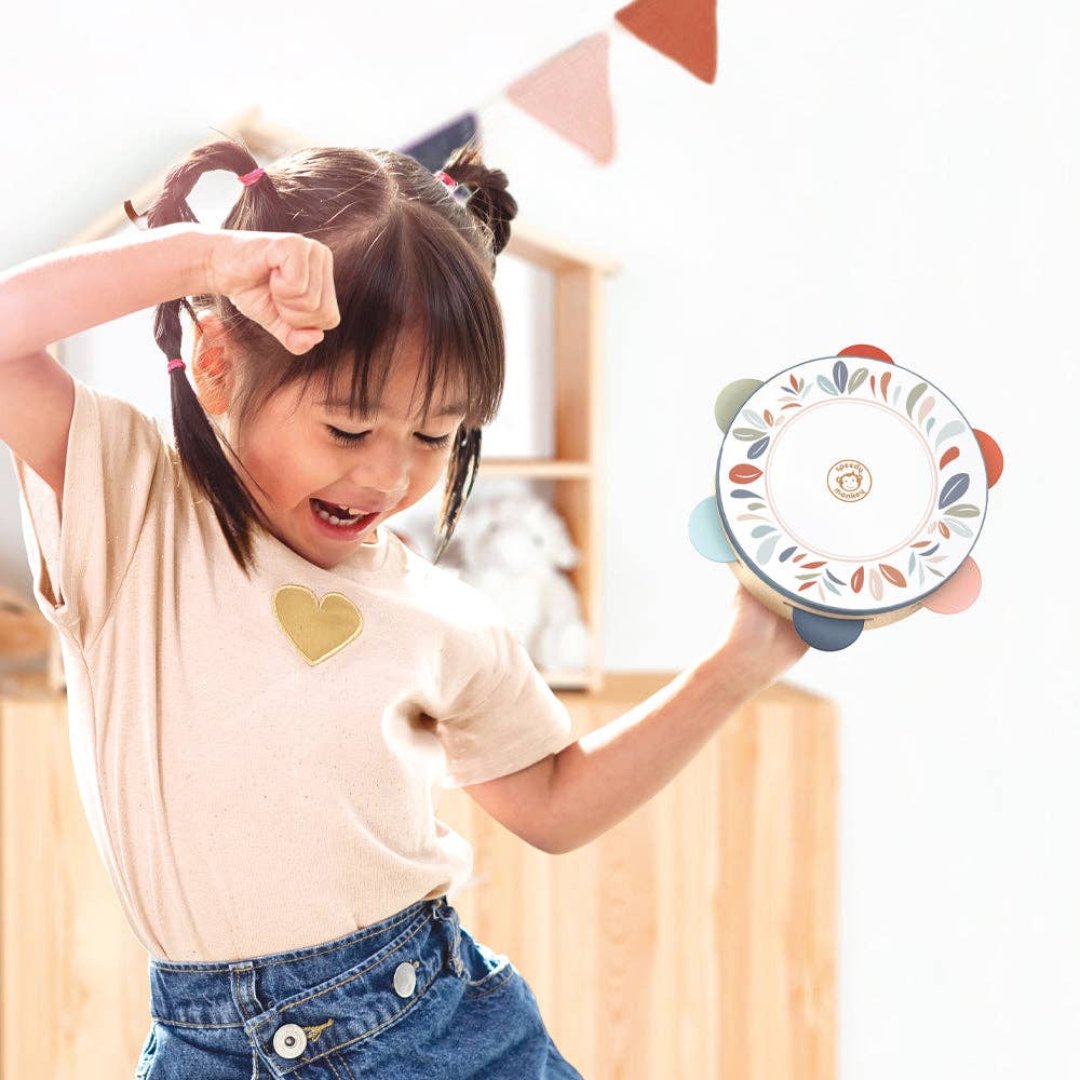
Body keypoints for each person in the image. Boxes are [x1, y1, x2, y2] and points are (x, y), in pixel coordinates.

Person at [0, 135, 809, 1078]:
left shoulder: (440, 615)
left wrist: (741, 660)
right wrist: (211, 261)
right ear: (215, 361)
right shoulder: (135, 510)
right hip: (207, 1047)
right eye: (348, 425)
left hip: (433, 1023)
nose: (389, 474)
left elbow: (552, 803)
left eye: (435, 434)